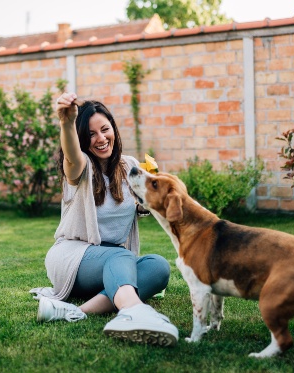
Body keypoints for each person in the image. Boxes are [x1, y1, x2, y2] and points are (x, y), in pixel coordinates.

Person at [29, 92, 178, 347]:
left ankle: (76, 311)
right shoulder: (82, 167)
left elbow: (148, 203)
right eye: (90, 134)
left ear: (114, 130)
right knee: (121, 256)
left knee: (159, 267)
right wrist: (66, 123)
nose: (100, 138)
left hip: (111, 265)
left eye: (105, 129)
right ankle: (134, 311)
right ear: (81, 140)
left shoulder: (128, 165)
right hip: (73, 259)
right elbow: (72, 158)